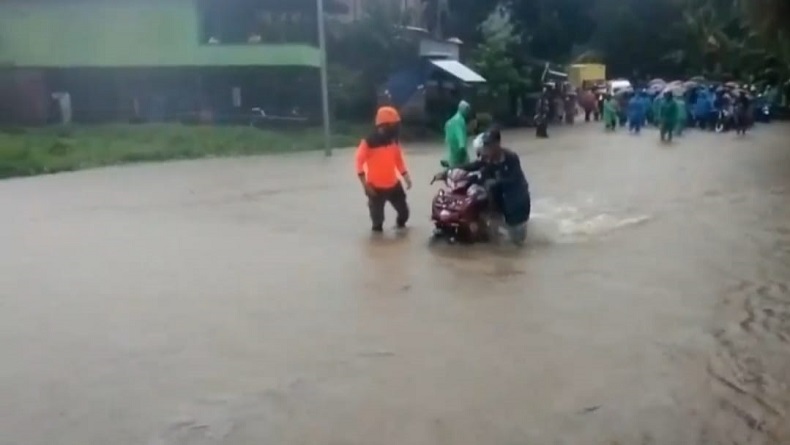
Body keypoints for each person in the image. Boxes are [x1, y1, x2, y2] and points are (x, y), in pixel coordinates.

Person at [452, 128, 531, 246]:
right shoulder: (488, 158)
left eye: (490, 145)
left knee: (517, 243)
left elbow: (514, 179)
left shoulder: (511, 158)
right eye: (486, 145)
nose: (487, 149)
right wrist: (452, 170)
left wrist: (496, 182)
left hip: (517, 203)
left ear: (497, 144)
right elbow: (475, 165)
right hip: (498, 201)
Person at [355, 106, 412, 233]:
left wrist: (406, 176)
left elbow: (398, 160)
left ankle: (400, 231)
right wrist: (365, 185)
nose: (396, 129)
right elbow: (358, 163)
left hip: (394, 185)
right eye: (394, 126)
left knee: (404, 215)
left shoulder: (394, 141)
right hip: (375, 188)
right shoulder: (368, 142)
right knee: (377, 224)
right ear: (384, 126)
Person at [444, 100, 473, 168]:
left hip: (451, 153)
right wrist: (462, 150)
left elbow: (446, 138)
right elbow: (461, 137)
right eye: (467, 110)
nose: (468, 113)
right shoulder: (460, 121)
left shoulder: (449, 122)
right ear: (464, 109)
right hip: (458, 154)